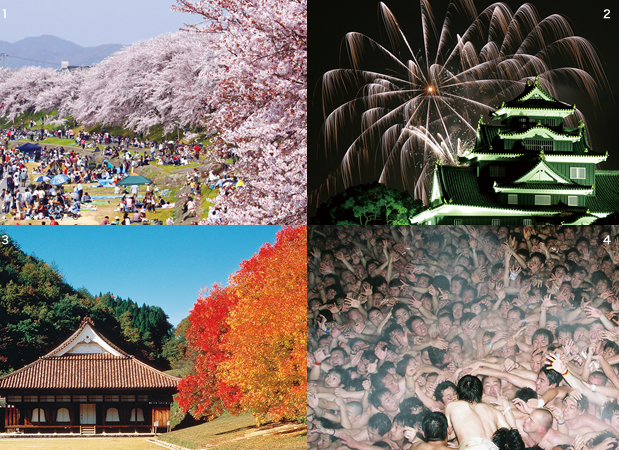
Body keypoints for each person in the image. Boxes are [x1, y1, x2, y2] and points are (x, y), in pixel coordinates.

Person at [445, 376, 514, 450]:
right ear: (481, 392)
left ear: (458, 394)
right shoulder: (493, 410)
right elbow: (512, 437)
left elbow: (444, 435)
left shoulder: (452, 406)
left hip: (472, 446)